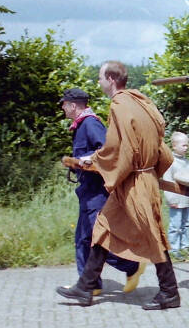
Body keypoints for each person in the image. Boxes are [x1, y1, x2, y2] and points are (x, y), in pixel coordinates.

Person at [56, 60, 179, 310]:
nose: (98, 82)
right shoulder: (141, 101)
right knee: (102, 228)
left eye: (100, 78)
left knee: (152, 235)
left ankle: (170, 292)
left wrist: (95, 159)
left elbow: (119, 148)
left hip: (135, 181)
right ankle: (86, 287)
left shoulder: (120, 105)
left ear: (111, 79)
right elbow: (159, 143)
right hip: (138, 177)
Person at [60, 88, 145, 296]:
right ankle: (90, 283)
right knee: (82, 238)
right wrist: (75, 164)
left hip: (97, 192)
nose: (62, 108)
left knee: (97, 239)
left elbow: (108, 151)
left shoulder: (90, 123)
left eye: (64, 104)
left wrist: (83, 161)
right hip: (87, 190)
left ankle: (131, 266)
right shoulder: (82, 125)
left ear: (73, 105)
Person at [162, 131, 189, 256]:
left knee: (186, 224)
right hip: (175, 199)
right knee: (175, 225)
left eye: (187, 145)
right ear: (174, 146)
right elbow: (167, 181)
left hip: (186, 198)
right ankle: (174, 248)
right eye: (183, 145)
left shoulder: (186, 162)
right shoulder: (171, 162)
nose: (186, 148)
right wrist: (171, 199)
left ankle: (184, 246)